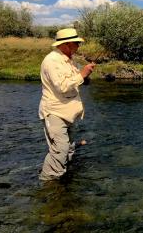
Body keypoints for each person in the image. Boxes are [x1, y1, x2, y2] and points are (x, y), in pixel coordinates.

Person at [38, 28, 95, 181]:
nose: (78, 46)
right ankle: (48, 182)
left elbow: (75, 82)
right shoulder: (51, 61)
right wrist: (82, 74)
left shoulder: (71, 61)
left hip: (68, 113)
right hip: (54, 112)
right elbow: (62, 86)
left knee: (68, 148)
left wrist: (86, 76)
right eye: (76, 43)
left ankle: (64, 177)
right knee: (60, 149)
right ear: (66, 44)